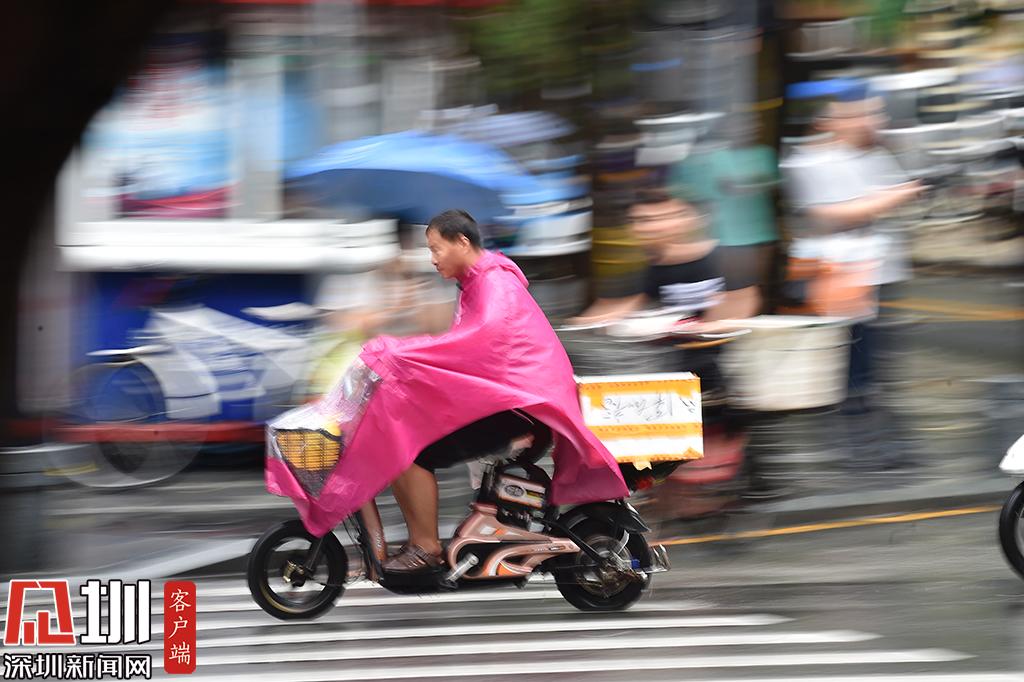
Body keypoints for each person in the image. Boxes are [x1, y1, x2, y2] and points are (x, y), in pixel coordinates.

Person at [370, 209, 627, 573]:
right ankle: (420, 541)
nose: (432, 259)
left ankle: (426, 548)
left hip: (516, 410)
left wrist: (404, 353)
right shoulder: (477, 284)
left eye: (436, 249)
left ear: (462, 242)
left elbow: (478, 342)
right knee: (403, 443)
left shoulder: (494, 284)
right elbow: (466, 348)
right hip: (506, 404)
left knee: (413, 453)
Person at [569, 188, 760, 326]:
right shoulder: (653, 268)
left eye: (664, 218)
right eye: (640, 221)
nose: (651, 228)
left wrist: (695, 329)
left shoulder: (727, 260)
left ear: (690, 219)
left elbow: (738, 315)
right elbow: (622, 308)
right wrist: (575, 325)